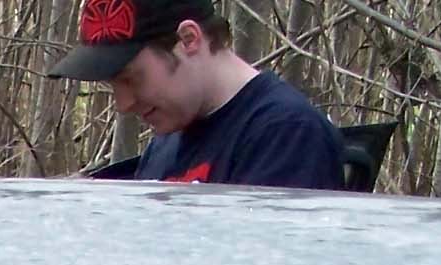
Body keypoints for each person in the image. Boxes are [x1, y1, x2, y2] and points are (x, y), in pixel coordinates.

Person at [50, 0, 345, 188]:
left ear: (189, 39)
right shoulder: (164, 146)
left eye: (131, 79)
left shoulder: (286, 135)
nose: (124, 104)